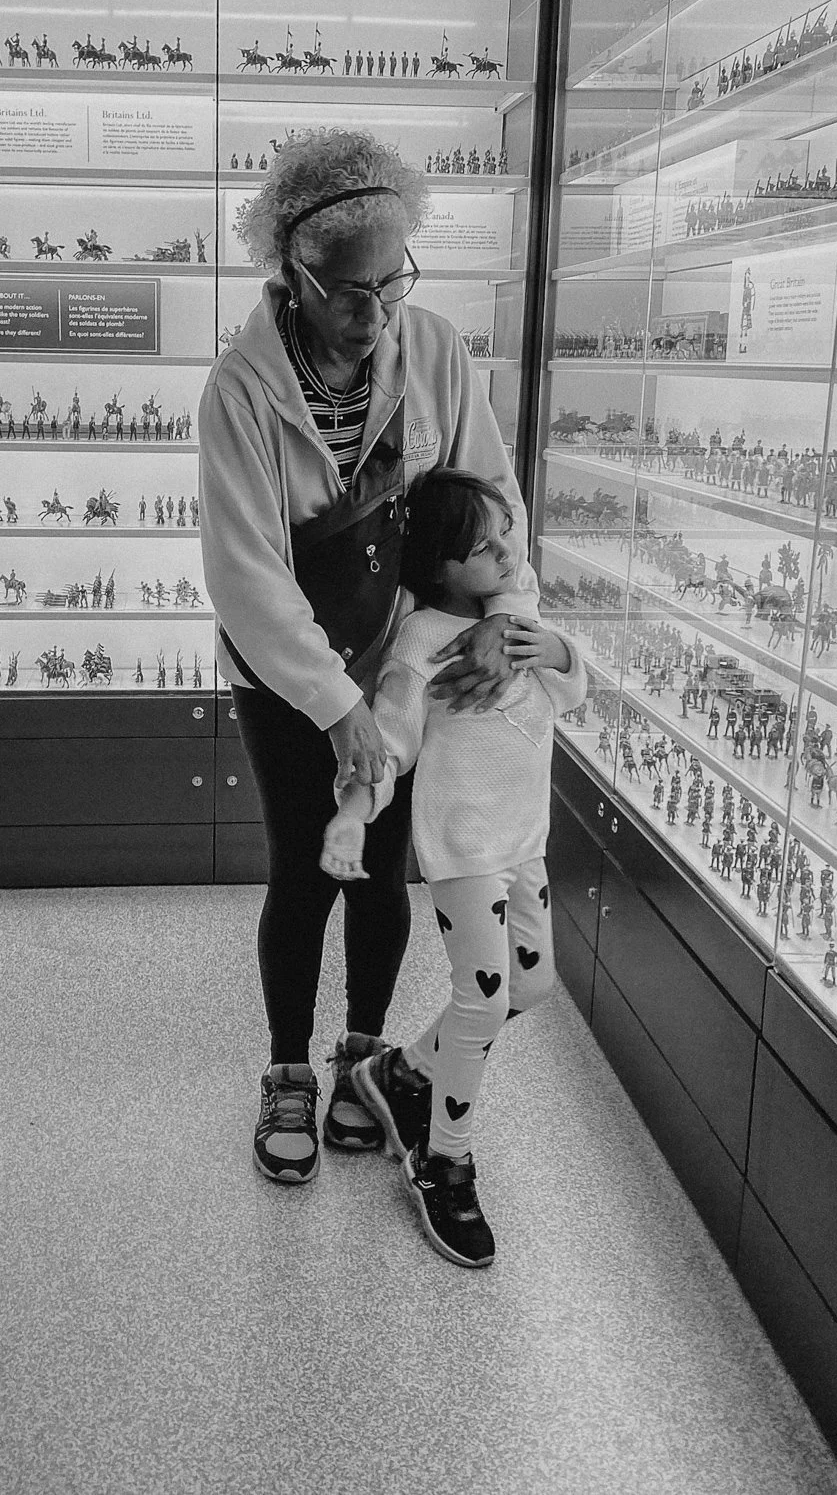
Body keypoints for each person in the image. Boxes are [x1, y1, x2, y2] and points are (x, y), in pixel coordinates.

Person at [197, 130, 542, 1187]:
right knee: (307, 865)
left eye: (394, 282)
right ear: (289, 273)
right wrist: (335, 707)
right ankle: (287, 1070)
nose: (377, 310)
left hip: (400, 664)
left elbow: (493, 501)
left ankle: (362, 1057)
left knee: (382, 868)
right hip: (287, 669)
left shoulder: (433, 349)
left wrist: (503, 611)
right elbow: (247, 576)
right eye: (349, 290)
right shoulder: (241, 392)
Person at [320, 469, 585, 1266]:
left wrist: (562, 649)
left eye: (508, 529)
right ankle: (444, 1161)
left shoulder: (523, 619)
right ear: (438, 567)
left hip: (523, 845)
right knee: (484, 995)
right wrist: (352, 813)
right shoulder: (420, 641)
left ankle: (400, 1072)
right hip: (464, 856)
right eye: (483, 546)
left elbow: (570, 696)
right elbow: (391, 741)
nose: (508, 552)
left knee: (531, 985)